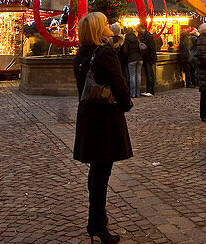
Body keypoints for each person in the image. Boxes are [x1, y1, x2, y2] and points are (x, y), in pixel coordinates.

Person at [72, 12, 131, 244]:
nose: (109, 26)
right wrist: (126, 104)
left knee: (97, 170)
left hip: (88, 116)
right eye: (105, 24)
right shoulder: (106, 53)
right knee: (102, 172)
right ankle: (97, 223)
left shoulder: (81, 54)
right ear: (98, 29)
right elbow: (120, 83)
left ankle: (96, 220)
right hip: (105, 117)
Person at [122, 27, 142, 98]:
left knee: (132, 76)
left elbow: (125, 51)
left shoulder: (127, 40)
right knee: (138, 75)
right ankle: (138, 92)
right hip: (139, 58)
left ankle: (133, 93)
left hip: (131, 59)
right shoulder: (137, 39)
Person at [138, 25, 157, 97]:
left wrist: (152, 58)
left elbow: (152, 48)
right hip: (146, 58)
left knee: (150, 75)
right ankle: (149, 90)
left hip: (149, 58)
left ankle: (151, 90)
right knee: (148, 74)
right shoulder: (144, 35)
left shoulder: (148, 36)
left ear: (141, 28)